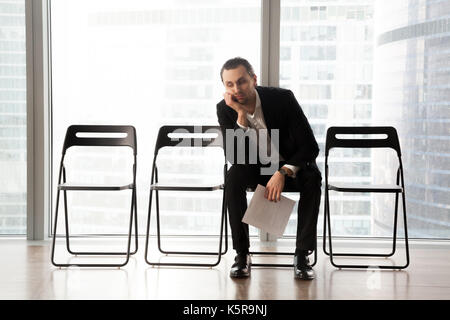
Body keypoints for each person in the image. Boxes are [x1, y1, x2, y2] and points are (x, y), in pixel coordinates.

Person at [216, 57, 322, 280]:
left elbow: (310, 147)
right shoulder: (225, 109)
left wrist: (283, 172)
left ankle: (302, 256)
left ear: (254, 80)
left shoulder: (282, 99)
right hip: (255, 169)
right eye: (230, 84)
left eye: (242, 81)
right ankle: (242, 255)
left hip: (289, 168)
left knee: (313, 177)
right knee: (233, 176)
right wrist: (241, 116)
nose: (237, 89)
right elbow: (235, 157)